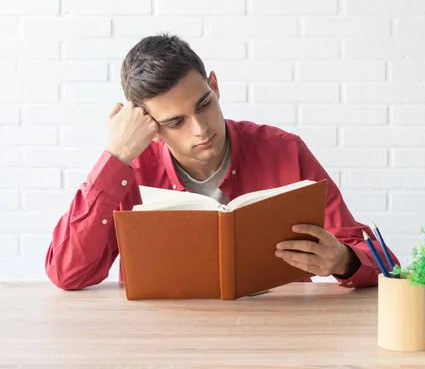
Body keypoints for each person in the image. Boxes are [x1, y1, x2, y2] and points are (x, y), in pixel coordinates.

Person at [45, 33, 399, 291]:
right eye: (175, 122)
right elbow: (68, 274)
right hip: (161, 337)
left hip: (278, 332)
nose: (200, 130)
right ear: (150, 127)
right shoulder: (129, 173)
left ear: (214, 85)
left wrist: (342, 260)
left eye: (203, 105)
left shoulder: (284, 151)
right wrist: (116, 158)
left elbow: (382, 262)